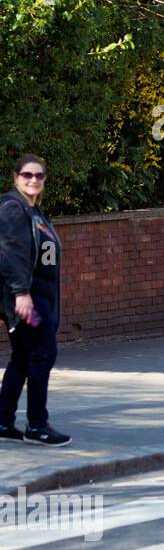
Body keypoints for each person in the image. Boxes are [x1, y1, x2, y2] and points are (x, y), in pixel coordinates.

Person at [0, 155, 69, 446]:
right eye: (27, 175)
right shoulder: (12, 209)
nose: (33, 180)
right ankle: (37, 425)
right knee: (43, 354)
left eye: (39, 176)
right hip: (27, 299)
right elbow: (10, 253)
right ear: (16, 177)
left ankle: (3, 422)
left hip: (40, 297)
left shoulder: (35, 212)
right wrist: (21, 293)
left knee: (23, 358)